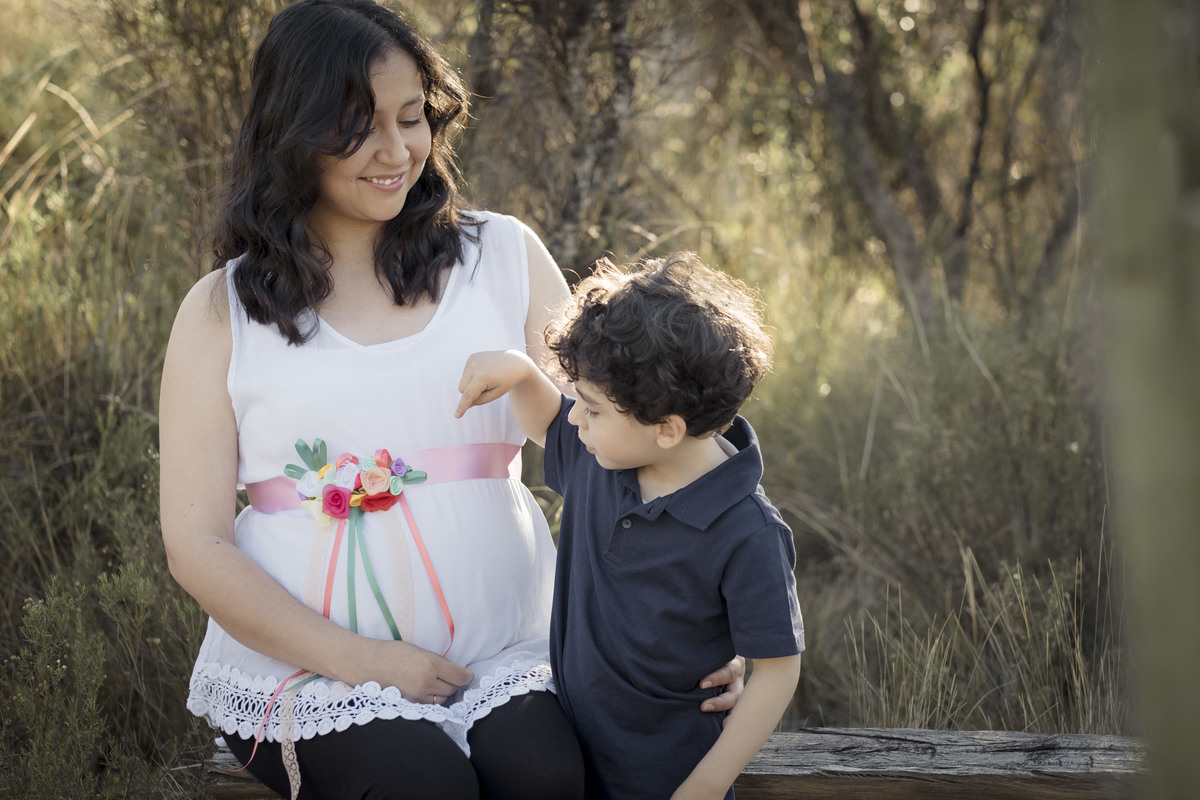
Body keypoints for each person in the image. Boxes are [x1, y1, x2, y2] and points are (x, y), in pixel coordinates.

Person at [158, 2, 743, 799]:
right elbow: (198, 545)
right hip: (309, 673)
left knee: (542, 776)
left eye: (412, 119)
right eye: (360, 130)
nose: (396, 153)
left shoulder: (500, 256)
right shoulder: (222, 311)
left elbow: (632, 450)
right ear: (292, 134)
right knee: (419, 784)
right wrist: (364, 661)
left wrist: (698, 622)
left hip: (505, 651)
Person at [456, 252, 805, 799]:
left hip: (666, 773)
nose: (576, 417)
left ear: (666, 428)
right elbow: (548, 419)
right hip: (570, 749)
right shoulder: (607, 459)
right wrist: (522, 373)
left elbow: (779, 669)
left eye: (592, 408)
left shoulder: (747, 531)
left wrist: (708, 784)